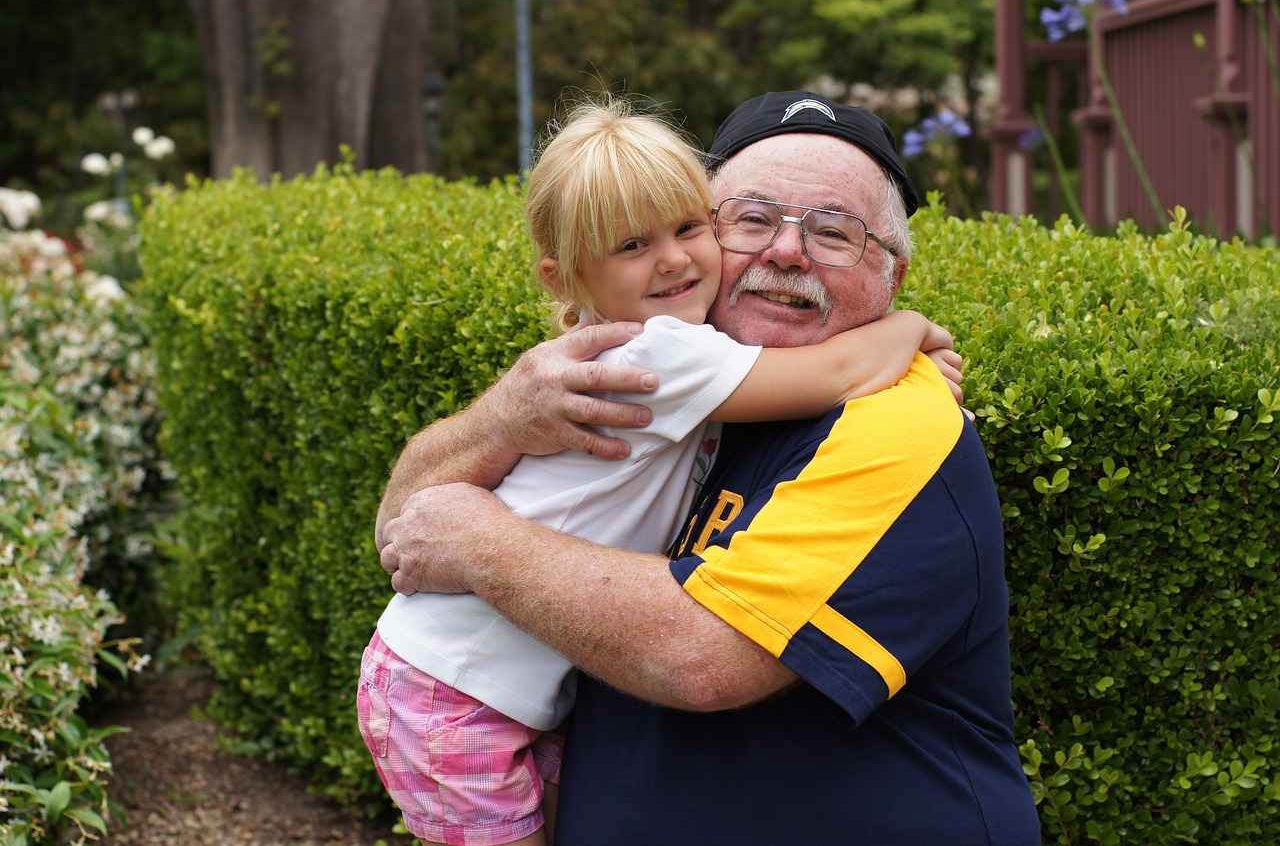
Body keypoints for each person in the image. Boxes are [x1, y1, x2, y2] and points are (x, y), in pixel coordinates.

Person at [377, 91, 1042, 845]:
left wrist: (476, 540)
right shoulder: (656, 377)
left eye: (834, 232)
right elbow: (402, 526)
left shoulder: (894, 424)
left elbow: (703, 657)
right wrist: (499, 419)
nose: (785, 252)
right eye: (750, 221)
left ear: (893, 277)